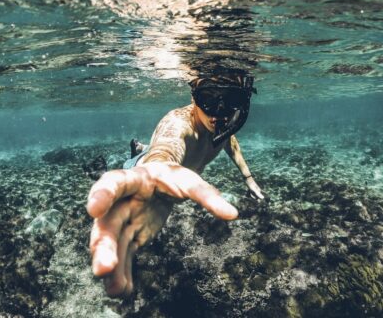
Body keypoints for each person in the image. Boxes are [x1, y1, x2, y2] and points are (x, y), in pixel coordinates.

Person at [87, 74, 264, 297]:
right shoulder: (179, 123)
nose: (219, 111)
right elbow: (166, 148)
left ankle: (141, 148)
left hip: (176, 173)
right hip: (144, 172)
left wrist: (248, 178)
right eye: (208, 98)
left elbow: (228, 140)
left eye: (231, 100)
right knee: (122, 175)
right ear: (194, 98)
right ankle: (113, 166)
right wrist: (155, 168)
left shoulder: (223, 124)